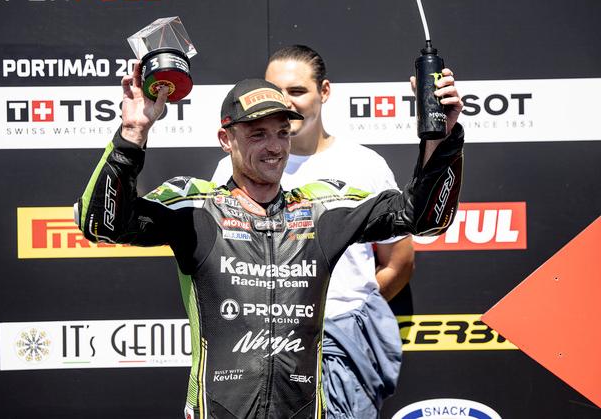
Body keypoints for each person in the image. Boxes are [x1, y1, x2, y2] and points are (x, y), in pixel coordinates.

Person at [75, 61, 464, 418]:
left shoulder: (322, 208)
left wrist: (441, 137)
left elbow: (424, 217)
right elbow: (102, 223)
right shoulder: (196, 207)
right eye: (258, 134)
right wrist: (133, 132)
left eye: (282, 132)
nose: (275, 147)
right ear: (225, 139)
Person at [211, 45, 415, 418]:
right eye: (275, 90)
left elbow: (398, 261)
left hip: (340, 340)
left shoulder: (364, 165)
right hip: (256, 347)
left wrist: (346, 311)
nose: (284, 101)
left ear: (324, 91)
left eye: (297, 91)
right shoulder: (232, 168)